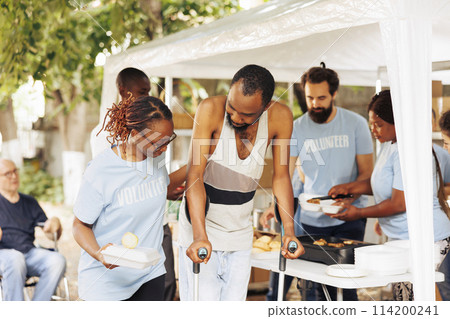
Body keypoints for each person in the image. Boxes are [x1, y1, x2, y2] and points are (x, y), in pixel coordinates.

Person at [178, 64, 304, 301]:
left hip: (240, 232)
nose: (235, 117)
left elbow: (281, 176)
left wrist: (289, 231)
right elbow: (194, 174)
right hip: (202, 229)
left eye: (245, 115)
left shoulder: (280, 116)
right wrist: (198, 235)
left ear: (265, 107)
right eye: (231, 108)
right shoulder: (210, 110)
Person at [329, 90, 450, 301]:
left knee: (415, 300)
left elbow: (399, 203)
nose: (373, 130)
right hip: (402, 238)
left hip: (427, 238)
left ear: (398, 122)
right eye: (371, 124)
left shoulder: (408, 150)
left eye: (379, 124)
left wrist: (358, 213)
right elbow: (382, 184)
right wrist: (350, 188)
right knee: (403, 298)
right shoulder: (389, 144)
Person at [73, 96, 184, 301]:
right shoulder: (102, 170)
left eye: (168, 140)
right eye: (158, 142)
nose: (165, 148)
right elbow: (79, 225)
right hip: (107, 281)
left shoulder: (156, 158)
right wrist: (99, 254)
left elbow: (159, 188)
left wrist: (197, 164)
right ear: (135, 135)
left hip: (150, 272)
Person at [286, 64, 374, 301]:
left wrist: (349, 201)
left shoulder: (356, 124)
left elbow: (367, 175)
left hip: (351, 217)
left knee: (347, 285)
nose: (315, 103)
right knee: (311, 287)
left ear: (334, 94)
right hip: (311, 219)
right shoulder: (296, 128)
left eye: (321, 97)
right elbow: (284, 173)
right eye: (310, 97)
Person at [99, 67, 182, 301]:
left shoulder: (157, 133)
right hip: (125, 231)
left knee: (165, 286)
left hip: (158, 225)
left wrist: (195, 165)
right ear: (123, 91)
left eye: (149, 91)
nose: (147, 96)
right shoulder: (106, 137)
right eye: (142, 91)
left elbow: (159, 184)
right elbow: (120, 188)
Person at [0, 159, 66, 301]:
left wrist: (55, 224)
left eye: (15, 171)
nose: (13, 176)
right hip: (3, 255)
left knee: (57, 260)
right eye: (7, 174)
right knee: (15, 258)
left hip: (29, 253)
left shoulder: (29, 202)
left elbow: (51, 233)